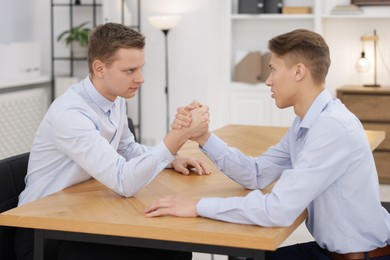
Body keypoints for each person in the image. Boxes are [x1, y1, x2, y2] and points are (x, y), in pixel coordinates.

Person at [145, 29, 390, 259]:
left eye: (273, 70)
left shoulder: (331, 127)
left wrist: (197, 205)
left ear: (298, 72)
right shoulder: (307, 123)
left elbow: (278, 210)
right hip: (331, 250)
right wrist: (204, 137)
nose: (268, 81)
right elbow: (256, 174)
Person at [15, 22, 211, 260]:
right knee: (166, 251)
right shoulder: (71, 115)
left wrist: (172, 159)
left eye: (141, 68)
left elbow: (126, 148)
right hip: (43, 230)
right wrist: (177, 138)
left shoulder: (115, 98)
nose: (140, 78)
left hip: (81, 211)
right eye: (130, 71)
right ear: (99, 68)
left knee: (176, 250)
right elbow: (123, 181)